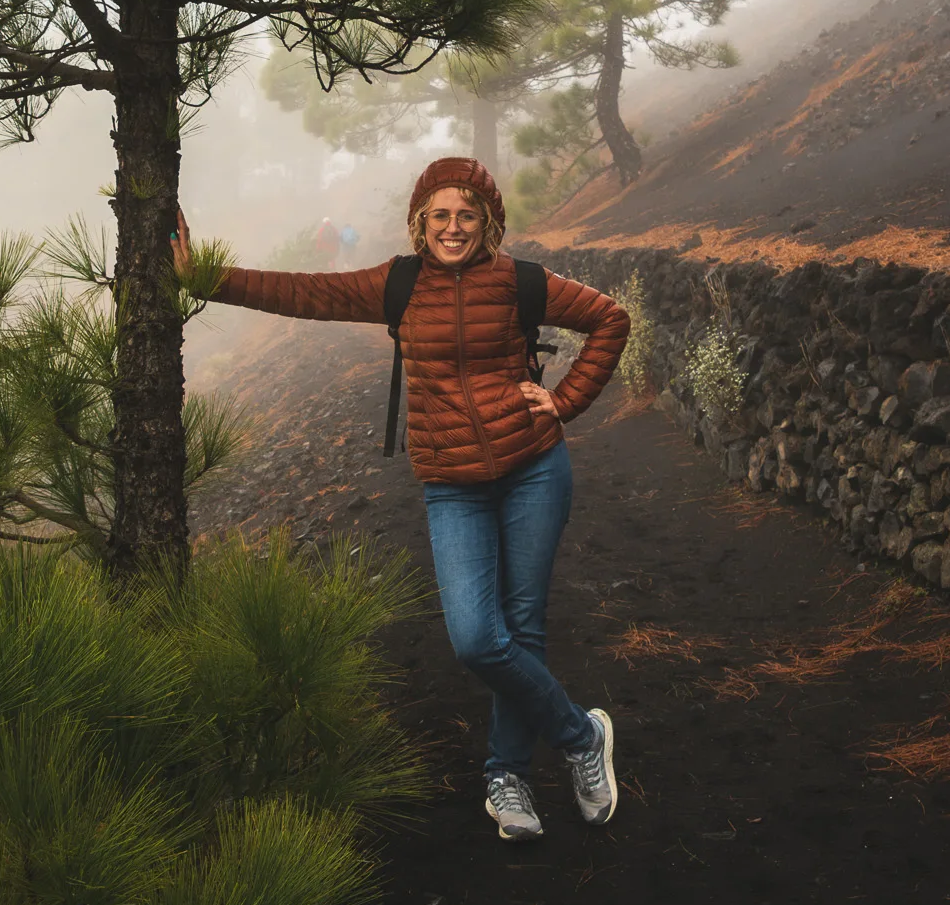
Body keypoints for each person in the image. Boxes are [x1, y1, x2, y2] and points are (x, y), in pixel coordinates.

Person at [179, 155, 630, 844]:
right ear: (422, 221)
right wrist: (205, 277)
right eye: (441, 215)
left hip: (533, 468)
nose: (454, 227)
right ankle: (578, 735)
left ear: (488, 222)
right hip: (452, 483)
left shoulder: (521, 282)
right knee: (479, 639)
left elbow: (610, 319)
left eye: (467, 215)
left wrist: (563, 401)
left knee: (522, 625)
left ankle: (506, 774)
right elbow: (305, 293)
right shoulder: (397, 284)